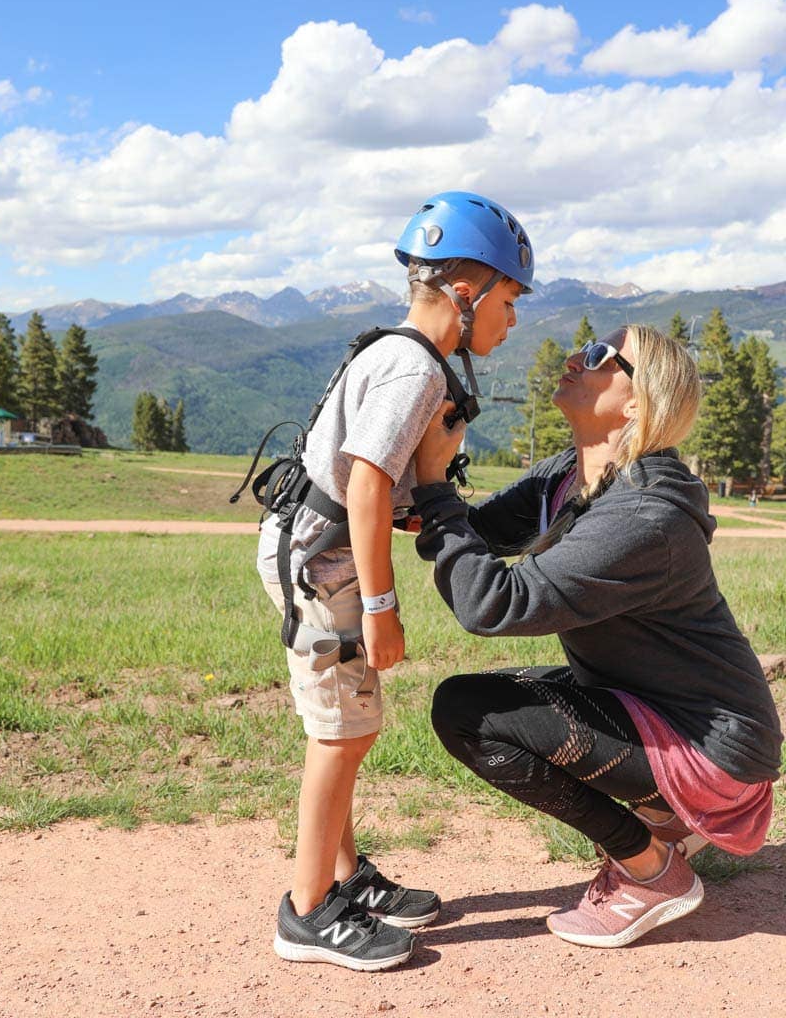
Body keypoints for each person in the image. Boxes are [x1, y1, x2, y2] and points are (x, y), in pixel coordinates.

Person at [410, 325, 783, 949]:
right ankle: (664, 820)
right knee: (502, 698)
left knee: (468, 712)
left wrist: (432, 488)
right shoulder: (571, 477)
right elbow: (474, 532)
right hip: (660, 709)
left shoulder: (645, 513)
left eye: (597, 357)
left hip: (714, 748)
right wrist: (399, 483)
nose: (572, 357)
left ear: (639, 400)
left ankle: (649, 868)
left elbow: (492, 604)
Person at [257, 191, 535, 970]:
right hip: (325, 565)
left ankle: (343, 879)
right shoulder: (414, 368)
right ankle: (307, 912)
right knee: (345, 733)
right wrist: (382, 608)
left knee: (342, 727)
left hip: (312, 548)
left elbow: (381, 485)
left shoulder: (405, 356)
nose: (511, 320)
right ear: (467, 293)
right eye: (509, 299)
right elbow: (368, 483)